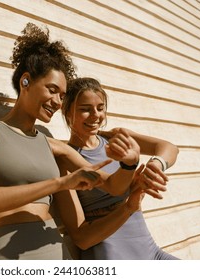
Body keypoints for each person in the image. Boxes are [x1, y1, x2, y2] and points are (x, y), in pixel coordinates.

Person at [0, 23, 153, 260]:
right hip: (11, 252)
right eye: (52, 90)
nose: (57, 101)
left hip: (56, 249)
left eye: (62, 96)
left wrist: (129, 163)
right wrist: (60, 183)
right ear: (25, 82)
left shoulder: (52, 145)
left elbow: (113, 185)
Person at [57, 77, 180, 259]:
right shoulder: (65, 160)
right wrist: (128, 206)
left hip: (150, 252)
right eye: (85, 109)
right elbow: (82, 239)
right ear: (67, 111)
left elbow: (170, 148)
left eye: (100, 108)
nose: (95, 115)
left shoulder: (116, 138)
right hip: (111, 256)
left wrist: (155, 165)